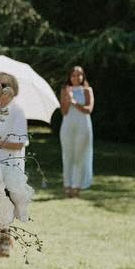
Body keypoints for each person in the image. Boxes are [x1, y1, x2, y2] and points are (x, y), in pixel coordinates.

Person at [0, 71, 29, 187]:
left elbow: (19, 144)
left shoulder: (17, 111)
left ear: (13, 89)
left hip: (9, 164)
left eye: (5, 85)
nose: (1, 88)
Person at [59, 64, 94, 196]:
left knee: (79, 156)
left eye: (79, 74)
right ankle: (67, 185)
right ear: (70, 76)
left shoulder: (87, 90)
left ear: (82, 76)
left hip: (83, 126)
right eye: (73, 75)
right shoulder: (65, 90)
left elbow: (88, 109)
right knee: (67, 155)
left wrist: (74, 101)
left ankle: (77, 186)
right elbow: (64, 111)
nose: (76, 77)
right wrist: (68, 98)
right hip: (67, 125)